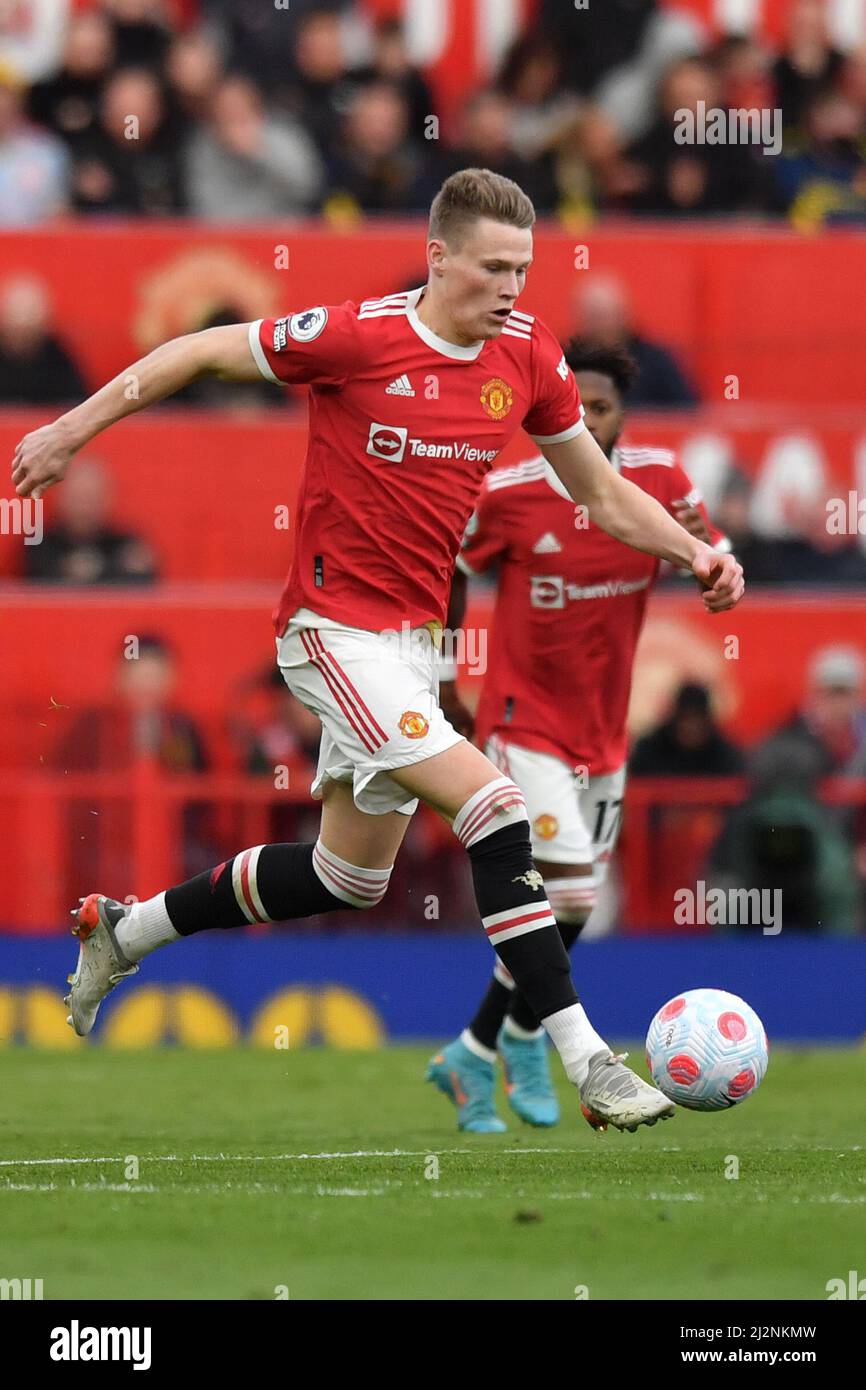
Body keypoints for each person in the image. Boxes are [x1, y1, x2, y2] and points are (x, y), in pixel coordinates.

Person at [11, 167, 743, 1135]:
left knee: (344, 875)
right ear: (439, 259)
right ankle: (587, 1060)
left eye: (522, 269)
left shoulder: (526, 356)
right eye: (491, 268)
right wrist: (69, 429)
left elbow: (600, 493)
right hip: (330, 630)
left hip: (412, 645)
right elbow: (197, 348)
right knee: (493, 805)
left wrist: (693, 549)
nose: (511, 288)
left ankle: (125, 927)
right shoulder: (356, 337)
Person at [430, 340, 730, 1132]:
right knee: (571, 891)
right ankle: (535, 1039)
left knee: (574, 906)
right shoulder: (511, 494)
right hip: (522, 719)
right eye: (576, 407)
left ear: (623, 410)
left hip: (606, 731)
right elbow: (447, 568)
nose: (589, 421)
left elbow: (713, 550)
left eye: (602, 407)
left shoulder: (659, 482)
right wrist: (444, 681)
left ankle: (476, 1048)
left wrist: (720, 576)